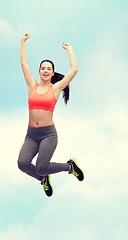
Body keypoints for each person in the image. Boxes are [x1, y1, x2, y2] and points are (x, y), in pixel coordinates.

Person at [17, 33, 84, 197]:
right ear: (39, 72)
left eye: (49, 69)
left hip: (48, 134)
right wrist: (23, 42)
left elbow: (74, 70)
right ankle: (43, 180)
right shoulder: (32, 85)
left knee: (41, 167)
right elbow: (24, 63)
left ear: (52, 73)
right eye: (43, 68)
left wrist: (69, 50)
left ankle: (70, 167)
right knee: (23, 164)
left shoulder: (55, 88)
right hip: (31, 135)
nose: (46, 70)